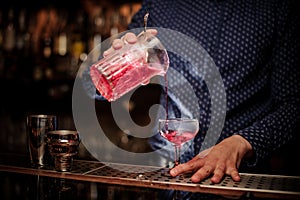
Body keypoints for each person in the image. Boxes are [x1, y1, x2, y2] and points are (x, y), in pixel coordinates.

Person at [87, 0, 300, 198]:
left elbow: (294, 104)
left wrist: (244, 141)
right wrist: (113, 61)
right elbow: (94, 85)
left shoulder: (277, 8)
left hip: (237, 182)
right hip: (165, 177)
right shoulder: (159, 6)